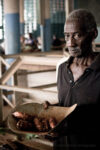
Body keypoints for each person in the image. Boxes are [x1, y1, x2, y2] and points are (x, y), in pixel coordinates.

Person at [44, 9, 98, 150]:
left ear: (93, 34)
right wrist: (52, 110)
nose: (70, 43)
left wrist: (71, 125)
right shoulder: (62, 68)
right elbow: (67, 103)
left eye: (77, 35)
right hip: (61, 145)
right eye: (67, 36)